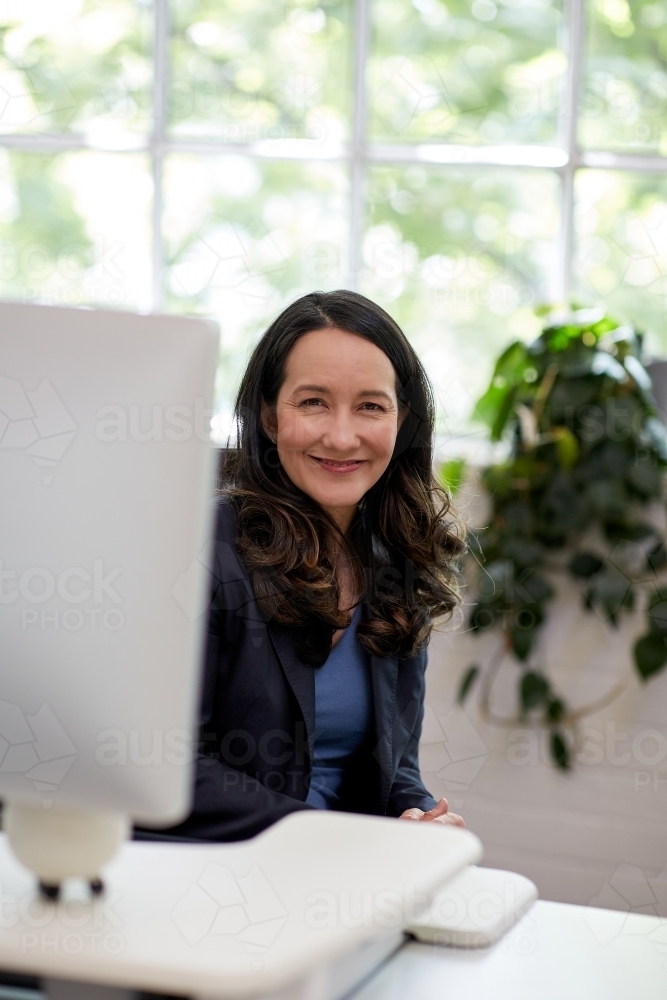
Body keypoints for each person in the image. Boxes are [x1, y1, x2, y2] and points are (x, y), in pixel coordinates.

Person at [153, 290, 465, 842]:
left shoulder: (397, 559)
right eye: (313, 402)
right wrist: (328, 836)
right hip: (214, 879)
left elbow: (393, 771)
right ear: (271, 417)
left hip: (337, 880)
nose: (342, 436)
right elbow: (165, 765)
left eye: (371, 405)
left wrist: (415, 819)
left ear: (403, 421)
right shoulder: (204, 549)